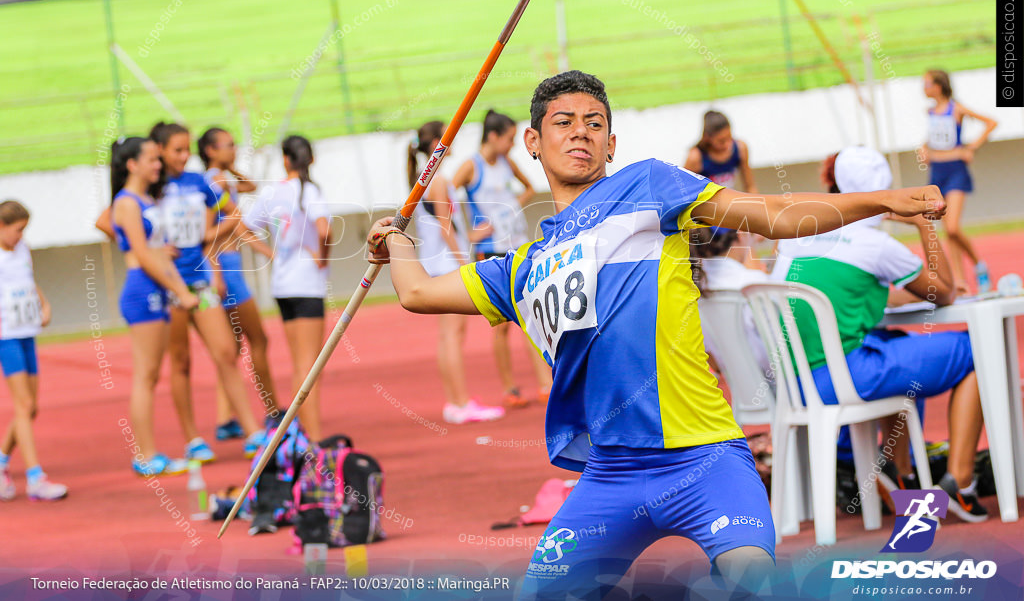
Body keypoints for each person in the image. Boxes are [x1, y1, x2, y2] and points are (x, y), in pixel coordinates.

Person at [367, 70, 947, 598]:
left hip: (705, 459)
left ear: (612, 144)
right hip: (610, 475)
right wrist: (395, 241)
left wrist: (882, 200)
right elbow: (418, 293)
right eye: (563, 123)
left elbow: (777, 215)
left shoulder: (650, 186)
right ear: (533, 143)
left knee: (756, 582)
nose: (581, 133)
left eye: (595, 124)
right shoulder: (519, 269)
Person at [772, 146, 988, 522]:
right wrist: (923, 224)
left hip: (793, 382)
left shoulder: (798, 233)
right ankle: (960, 483)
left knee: (899, 345)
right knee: (977, 351)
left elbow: (845, 291)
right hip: (841, 379)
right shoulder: (877, 245)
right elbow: (946, 291)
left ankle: (899, 472)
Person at [96, 123, 267, 461]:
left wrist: (213, 258)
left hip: (199, 281)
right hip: (165, 286)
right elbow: (106, 220)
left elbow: (226, 213)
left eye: (187, 149)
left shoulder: (197, 182)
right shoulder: (148, 189)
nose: (184, 156)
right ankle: (192, 439)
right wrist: (139, 250)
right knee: (180, 362)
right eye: (176, 150)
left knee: (225, 353)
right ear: (159, 152)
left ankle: (252, 431)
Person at [109, 137, 199, 477]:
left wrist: (177, 286)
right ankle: (145, 455)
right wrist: (179, 289)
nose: (157, 164)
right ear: (131, 164)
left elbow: (159, 250)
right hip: (143, 290)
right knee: (145, 376)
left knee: (151, 374)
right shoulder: (127, 203)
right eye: (150, 158)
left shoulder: (146, 199)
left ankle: (150, 453)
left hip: (158, 288)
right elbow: (145, 255)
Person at [452, 109, 551, 408]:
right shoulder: (472, 166)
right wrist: (469, 232)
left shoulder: (508, 162)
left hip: (518, 243)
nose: (512, 145)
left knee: (534, 312)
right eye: (509, 139)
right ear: (493, 137)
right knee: (505, 322)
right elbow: (445, 198)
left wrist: (510, 208)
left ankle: (546, 384)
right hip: (490, 248)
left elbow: (531, 188)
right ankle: (510, 388)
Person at [409, 121, 505, 424]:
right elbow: (445, 226)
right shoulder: (437, 179)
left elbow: (446, 226)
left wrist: (472, 237)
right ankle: (460, 403)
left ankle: (456, 402)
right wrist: (463, 260)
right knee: (453, 335)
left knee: (448, 336)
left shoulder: (429, 176)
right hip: (445, 264)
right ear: (439, 141)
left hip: (439, 261)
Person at [241, 135, 331, 442]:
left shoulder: (273, 192)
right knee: (310, 366)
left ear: (285, 159)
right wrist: (322, 258)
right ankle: (313, 441)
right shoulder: (311, 190)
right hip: (307, 283)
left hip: (282, 284)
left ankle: (302, 436)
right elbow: (325, 229)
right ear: (311, 160)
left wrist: (272, 254)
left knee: (299, 365)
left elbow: (244, 227)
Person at [198, 127, 279, 439]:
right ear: (210, 150)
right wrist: (268, 251)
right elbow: (234, 224)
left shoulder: (220, 179)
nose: (234, 150)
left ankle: (224, 418)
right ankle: (272, 410)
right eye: (228, 146)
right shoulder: (215, 183)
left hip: (226, 265)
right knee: (258, 340)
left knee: (230, 349)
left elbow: (250, 185)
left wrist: (227, 166)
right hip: (226, 268)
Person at [0, 201, 66, 501]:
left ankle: (1, 461)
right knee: (23, 404)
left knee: (31, 407)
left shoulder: (22, 249)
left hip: (27, 332)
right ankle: (35, 478)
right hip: (7, 335)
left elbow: (27, 280)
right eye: (17, 230)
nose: (21, 236)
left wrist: (44, 302)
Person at [919, 69, 998, 293]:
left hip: (955, 170)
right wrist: (924, 148)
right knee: (947, 229)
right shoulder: (930, 112)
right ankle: (960, 281)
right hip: (936, 172)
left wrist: (972, 147)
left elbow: (991, 123)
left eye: (926, 84)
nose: (923, 89)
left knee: (952, 228)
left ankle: (979, 265)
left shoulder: (957, 109)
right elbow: (935, 138)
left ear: (938, 85)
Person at [690, 226, 771, 374]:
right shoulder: (755, 283)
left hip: (739, 389)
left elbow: (712, 359)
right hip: (782, 385)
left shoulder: (695, 289)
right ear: (740, 235)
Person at [684, 110, 758, 192]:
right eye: (721, 141)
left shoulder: (740, 148)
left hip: (728, 201)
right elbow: (683, 191)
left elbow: (750, 186)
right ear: (708, 138)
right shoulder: (696, 157)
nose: (727, 144)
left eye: (729, 137)